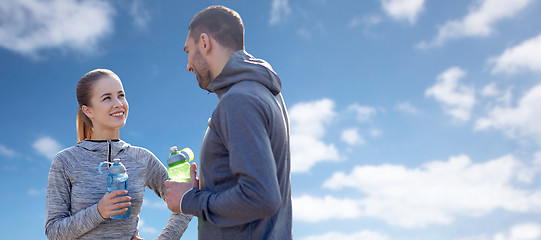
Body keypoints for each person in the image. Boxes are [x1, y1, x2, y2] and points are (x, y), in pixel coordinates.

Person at [164, 5, 292, 240]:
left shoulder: (239, 100)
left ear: (204, 42)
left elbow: (261, 197)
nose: (188, 65)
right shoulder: (264, 93)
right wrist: (205, 187)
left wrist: (188, 199)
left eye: (188, 51)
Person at [45, 69, 192, 240]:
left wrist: (165, 238)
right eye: (107, 98)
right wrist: (99, 211)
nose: (118, 103)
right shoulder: (65, 161)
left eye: (121, 95)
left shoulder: (142, 159)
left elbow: (186, 201)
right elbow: (53, 231)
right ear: (88, 110)